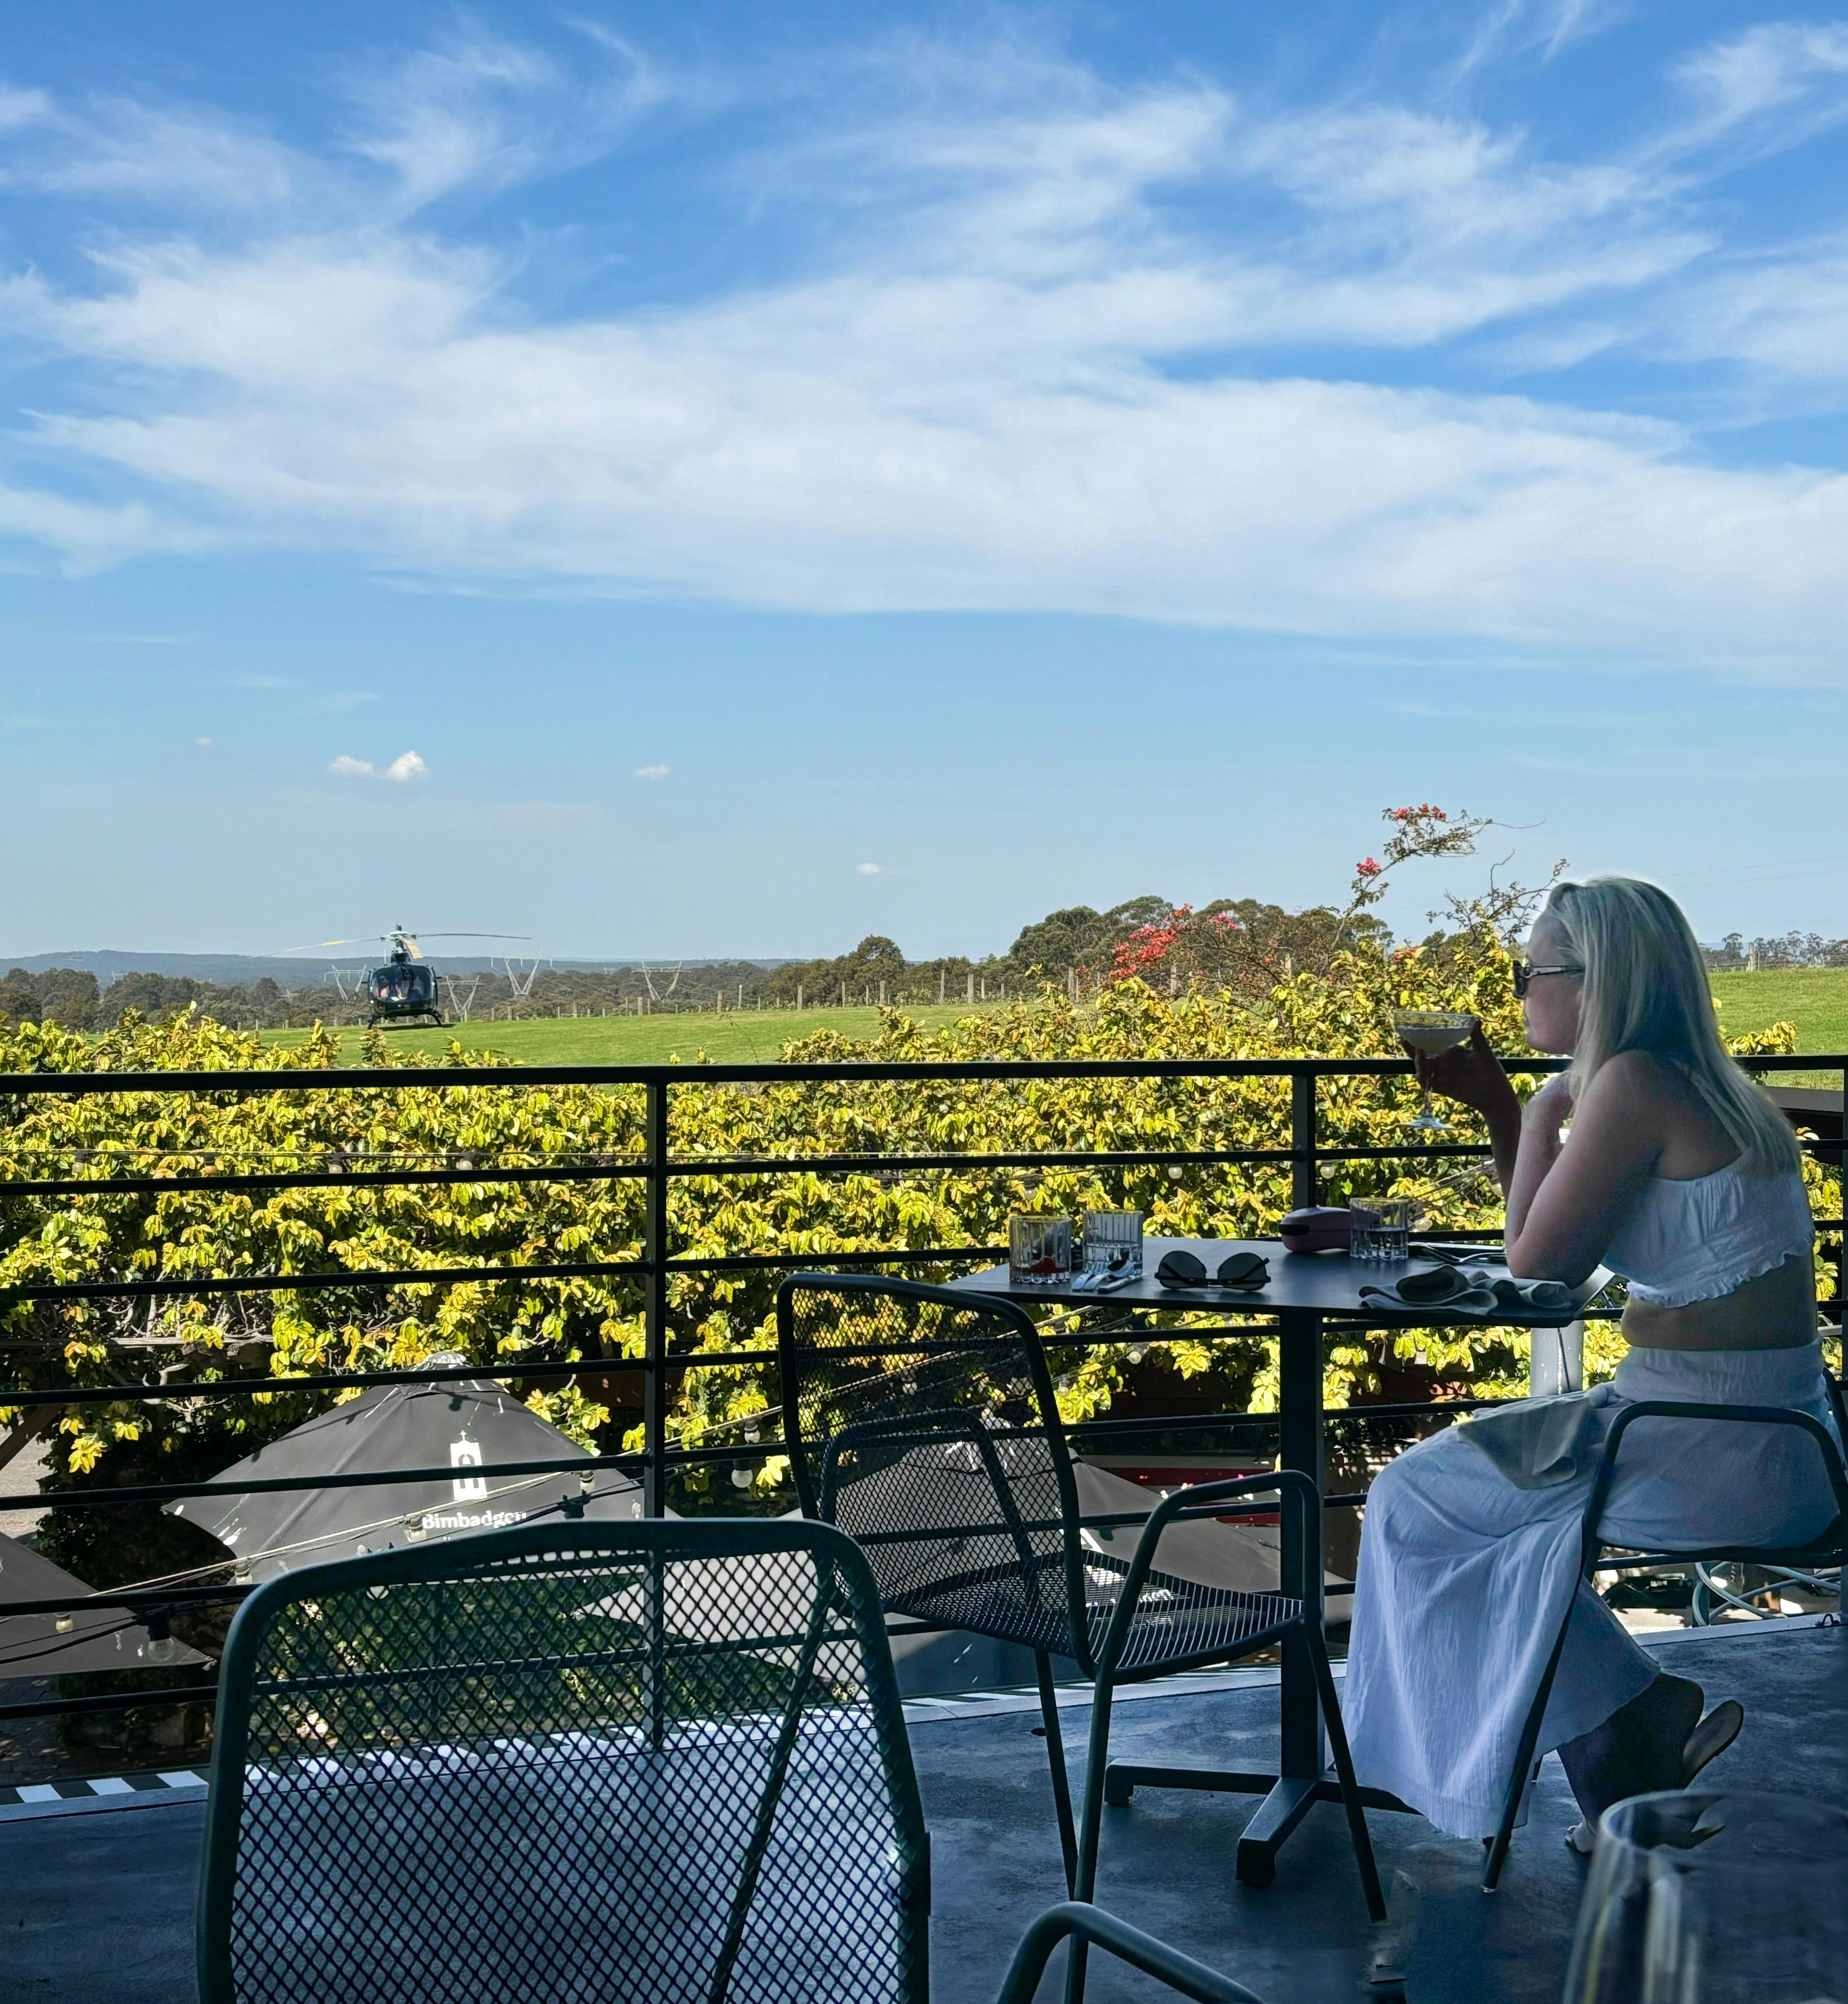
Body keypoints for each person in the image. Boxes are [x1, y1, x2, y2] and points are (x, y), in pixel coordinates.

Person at [1343, 875, 1843, 1849]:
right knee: (1479, 1515)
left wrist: (1527, 1111)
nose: (1521, 987)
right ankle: (1623, 1741)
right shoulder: (1696, 1082)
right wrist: (1511, 1111)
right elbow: (1552, 1243)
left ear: (1594, 980)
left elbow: (1534, 1264)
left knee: (1414, 1502)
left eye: (1533, 970)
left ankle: (1626, 1721)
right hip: (1764, 1431)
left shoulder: (1630, 1084)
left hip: (1706, 1446)